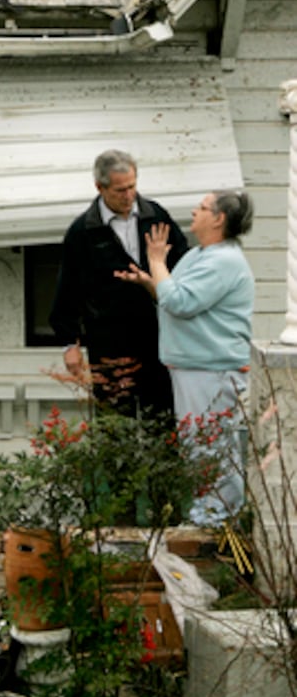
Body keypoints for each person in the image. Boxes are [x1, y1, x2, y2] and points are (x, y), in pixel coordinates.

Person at [121, 191, 255, 526]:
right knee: (197, 446)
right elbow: (173, 298)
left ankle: (218, 518)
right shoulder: (200, 254)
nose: (194, 211)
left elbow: (180, 302)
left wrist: (156, 260)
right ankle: (208, 514)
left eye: (203, 207)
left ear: (219, 218)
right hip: (193, 367)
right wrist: (150, 282)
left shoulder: (223, 261)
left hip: (212, 370)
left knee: (210, 446)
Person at [49, 149, 189, 418]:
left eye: (132, 187)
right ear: (100, 187)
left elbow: (183, 266)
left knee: (163, 417)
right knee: (114, 419)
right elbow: (68, 289)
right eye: (120, 190)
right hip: (108, 340)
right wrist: (69, 343)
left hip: (158, 335)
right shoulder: (82, 231)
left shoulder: (156, 216)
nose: (129, 196)